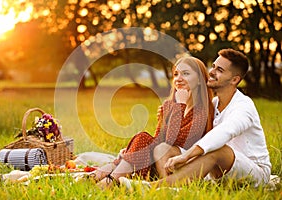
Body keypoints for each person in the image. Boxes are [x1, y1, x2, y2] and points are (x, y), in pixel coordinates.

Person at [120, 48, 272, 188]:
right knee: (163, 149)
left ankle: (155, 187)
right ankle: (174, 189)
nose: (211, 72)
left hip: (253, 171)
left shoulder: (243, 106)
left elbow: (226, 131)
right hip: (215, 170)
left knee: (218, 150)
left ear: (234, 80)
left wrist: (187, 156)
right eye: (213, 66)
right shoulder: (213, 104)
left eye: (219, 70)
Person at [94, 56, 214, 188]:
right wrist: (131, 151)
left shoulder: (203, 110)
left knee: (157, 148)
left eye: (185, 73)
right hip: (159, 161)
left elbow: (176, 141)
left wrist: (180, 106)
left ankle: (110, 180)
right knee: (142, 138)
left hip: (181, 163)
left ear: (199, 80)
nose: (178, 78)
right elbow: (158, 139)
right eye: (176, 74)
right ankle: (103, 178)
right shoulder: (169, 105)